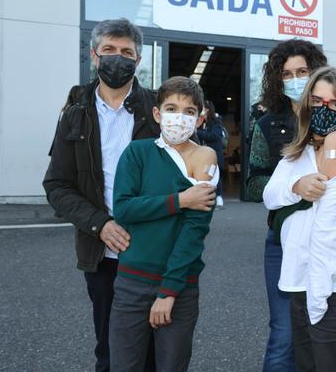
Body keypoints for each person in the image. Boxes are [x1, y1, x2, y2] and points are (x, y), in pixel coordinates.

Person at [42, 18, 216, 372]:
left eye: (126, 52)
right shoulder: (75, 113)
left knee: (161, 352)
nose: (116, 59)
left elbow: (190, 179)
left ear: (138, 61)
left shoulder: (162, 109)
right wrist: (99, 224)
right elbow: (57, 184)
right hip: (105, 249)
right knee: (113, 351)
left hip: (157, 249)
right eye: (108, 50)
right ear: (94, 55)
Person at [246, 39, 336, 372]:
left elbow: (331, 231)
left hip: (331, 280)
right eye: (287, 74)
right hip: (290, 258)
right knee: (285, 340)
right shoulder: (282, 133)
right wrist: (297, 188)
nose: (325, 109)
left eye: (302, 72)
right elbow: (259, 187)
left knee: (326, 351)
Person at [109, 76, 216, 371]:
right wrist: (180, 200)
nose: (179, 118)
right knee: (124, 365)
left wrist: (168, 291)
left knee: (171, 365)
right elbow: (124, 209)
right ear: (157, 114)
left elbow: (194, 231)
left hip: (180, 287)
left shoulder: (204, 157)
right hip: (132, 281)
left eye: (189, 111)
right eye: (171, 108)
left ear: (200, 118)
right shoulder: (137, 152)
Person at [198, 100, 226, 207]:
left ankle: (218, 196)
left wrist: (197, 132)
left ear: (208, 110)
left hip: (213, 154)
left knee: (214, 175)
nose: (201, 111)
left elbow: (213, 136)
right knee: (203, 175)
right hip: (200, 155)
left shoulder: (216, 121)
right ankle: (205, 197)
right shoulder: (199, 122)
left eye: (203, 108)